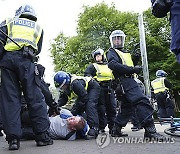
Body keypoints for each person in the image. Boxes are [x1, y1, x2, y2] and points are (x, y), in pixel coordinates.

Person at [0, 4, 53, 150]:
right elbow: (38, 49)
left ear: (19, 13)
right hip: (27, 62)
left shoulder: (9, 21)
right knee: (35, 98)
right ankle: (42, 137)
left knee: (10, 100)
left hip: (8, 61)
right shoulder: (38, 28)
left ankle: (13, 141)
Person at [106, 29, 165, 140]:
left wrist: (135, 59)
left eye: (119, 38)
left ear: (123, 40)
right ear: (112, 41)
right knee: (142, 101)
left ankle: (116, 129)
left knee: (127, 107)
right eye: (115, 39)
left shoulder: (124, 53)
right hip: (124, 80)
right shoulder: (112, 51)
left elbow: (126, 65)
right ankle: (150, 130)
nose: (117, 40)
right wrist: (133, 69)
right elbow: (113, 65)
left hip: (125, 81)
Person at [54, 71, 100, 138]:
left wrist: (74, 111)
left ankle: (94, 129)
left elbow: (83, 97)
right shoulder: (66, 86)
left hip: (93, 87)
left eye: (63, 86)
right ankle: (80, 128)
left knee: (90, 105)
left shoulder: (75, 84)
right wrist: (56, 106)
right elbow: (63, 99)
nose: (62, 88)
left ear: (66, 82)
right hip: (84, 93)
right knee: (78, 109)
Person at [84, 48, 117, 134]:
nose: (98, 57)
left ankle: (113, 127)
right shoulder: (93, 66)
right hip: (99, 89)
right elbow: (87, 75)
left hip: (110, 88)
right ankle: (101, 127)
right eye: (96, 56)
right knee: (101, 109)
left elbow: (114, 76)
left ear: (103, 56)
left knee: (112, 108)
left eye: (99, 56)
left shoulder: (109, 65)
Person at [21, 108, 88, 141]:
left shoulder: (70, 136)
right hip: (42, 121)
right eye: (74, 117)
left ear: (73, 128)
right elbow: (55, 108)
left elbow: (83, 133)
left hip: (43, 132)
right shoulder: (67, 113)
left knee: (24, 132)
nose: (72, 117)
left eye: (73, 120)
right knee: (26, 116)